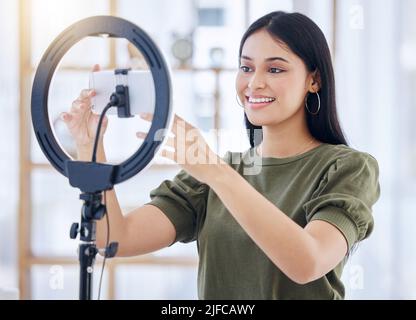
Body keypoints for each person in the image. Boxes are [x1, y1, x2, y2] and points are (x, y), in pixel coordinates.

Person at [61, 11, 380, 299]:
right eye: (246, 67)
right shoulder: (214, 173)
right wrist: (92, 147)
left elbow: (307, 262)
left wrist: (214, 171)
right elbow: (114, 237)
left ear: (314, 79)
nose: (254, 83)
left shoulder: (348, 168)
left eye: (275, 69)